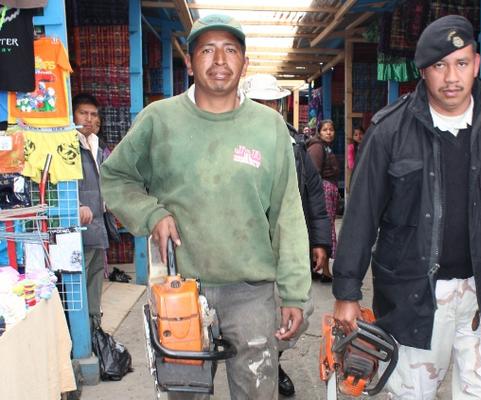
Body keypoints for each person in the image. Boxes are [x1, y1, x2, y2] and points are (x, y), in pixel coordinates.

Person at [332, 15, 481, 399]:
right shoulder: (390, 130)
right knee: (411, 392)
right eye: (439, 65)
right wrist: (346, 291)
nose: (451, 77)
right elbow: (361, 214)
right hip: (415, 294)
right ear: (423, 71)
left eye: (461, 63)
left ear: (476, 63)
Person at [100, 15, 311, 400]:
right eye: (207, 50)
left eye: (230, 50)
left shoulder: (269, 126)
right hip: (181, 289)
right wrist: (152, 214)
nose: (219, 59)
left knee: (257, 392)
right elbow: (116, 177)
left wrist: (294, 294)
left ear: (244, 63)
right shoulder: (159, 120)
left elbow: (287, 213)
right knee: (183, 394)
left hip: (252, 294)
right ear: (190, 61)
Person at [243, 73, 331, 397]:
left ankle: (273, 357)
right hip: (247, 251)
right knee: (250, 314)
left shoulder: (296, 145)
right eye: (259, 102)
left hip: (287, 246)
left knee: (300, 310)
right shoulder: (231, 142)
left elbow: (315, 195)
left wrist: (321, 241)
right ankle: (259, 363)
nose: (266, 108)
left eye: (271, 102)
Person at [73, 92, 115, 329]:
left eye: (93, 114)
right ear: (73, 114)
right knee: (80, 284)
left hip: (96, 227)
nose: (88, 119)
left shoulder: (95, 146)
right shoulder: (68, 146)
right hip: (79, 228)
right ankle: (83, 334)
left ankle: (94, 329)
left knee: (94, 280)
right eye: (83, 113)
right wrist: (77, 206)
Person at [306, 119, 340, 282]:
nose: (328, 132)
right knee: (324, 229)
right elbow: (313, 175)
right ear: (319, 132)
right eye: (325, 130)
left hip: (328, 190)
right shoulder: (317, 147)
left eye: (331, 129)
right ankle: (324, 271)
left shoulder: (325, 147)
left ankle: (323, 269)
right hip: (323, 192)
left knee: (327, 228)